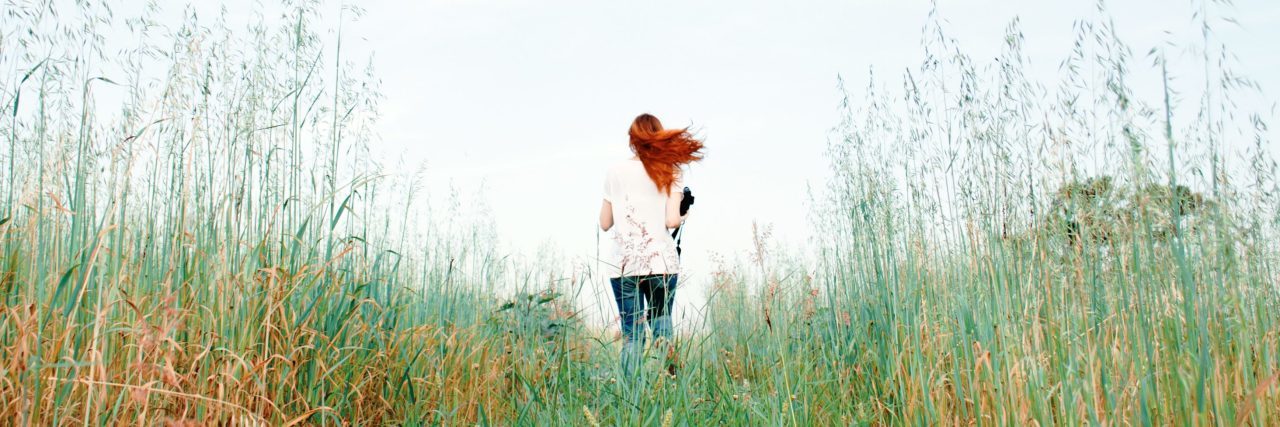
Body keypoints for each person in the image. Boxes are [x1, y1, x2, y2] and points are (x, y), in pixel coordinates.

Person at [599, 113, 704, 378]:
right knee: (662, 330)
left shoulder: (615, 172)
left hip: (624, 266)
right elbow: (671, 220)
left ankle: (629, 399)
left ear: (633, 140)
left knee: (632, 337)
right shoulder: (671, 169)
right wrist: (684, 215)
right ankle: (665, 392)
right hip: (661, 264)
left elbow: (604, 223)